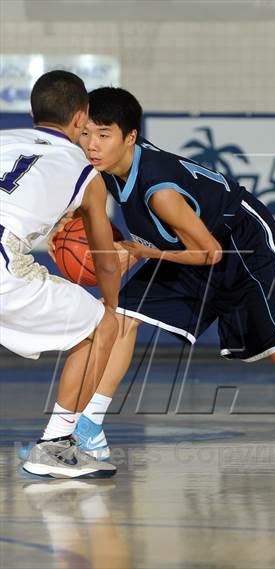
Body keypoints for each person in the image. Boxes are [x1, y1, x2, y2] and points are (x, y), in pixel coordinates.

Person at [57, 86, 275, 469]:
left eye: (104, 135)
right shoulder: (105, 168)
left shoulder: (161, 193)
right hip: (189, 246)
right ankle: (90, 428)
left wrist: (141, 253)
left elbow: (210, 253)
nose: (92, 144)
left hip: (241, 246)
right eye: (86, 133)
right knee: (121, 316)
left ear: (130, 137)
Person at [0, 71, 121, 478]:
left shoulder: (5, 139)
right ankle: (57, 443)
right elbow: (104, 256)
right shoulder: (87, 172)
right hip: (4, 262)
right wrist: (111, 306)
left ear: (33, 112)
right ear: (81, 118)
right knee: (100, 326)